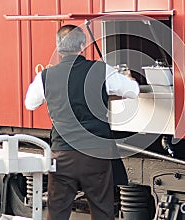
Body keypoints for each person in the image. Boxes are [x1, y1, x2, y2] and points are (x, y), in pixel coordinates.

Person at [25, 24, 139, 220]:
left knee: (57, 212)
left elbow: (30, 104)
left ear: (58, 47)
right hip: (96, 153)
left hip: (62, 154)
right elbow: (133, 91)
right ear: (82, 45)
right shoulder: (101, 70)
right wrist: (126, 78)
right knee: (102, 211)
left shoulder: (45, 76)